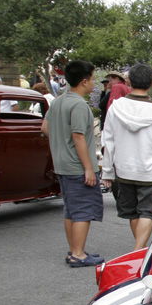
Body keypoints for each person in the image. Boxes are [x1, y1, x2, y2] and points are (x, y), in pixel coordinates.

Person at [100, 63, 152, 251]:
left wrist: (107, 171)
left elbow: (107, 141)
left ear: (129, 82)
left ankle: (139, 249)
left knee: (133, 212)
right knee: (147, 213)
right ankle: (139, 250)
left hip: (124, 168)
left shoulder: (116, 108)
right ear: (151, 83)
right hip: (151, 172)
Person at [41, 60, 105, 267]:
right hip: (77, 166)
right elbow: (78, 137)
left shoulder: (59, 101)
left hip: (62, 164)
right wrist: (89, 168)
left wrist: (60, 143)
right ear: (84, 81)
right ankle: (78, 254)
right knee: (83, 210)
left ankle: (74, 250)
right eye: (93, 78)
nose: (94, 83)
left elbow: (45, 127)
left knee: (71, 209)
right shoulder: (78, 105)